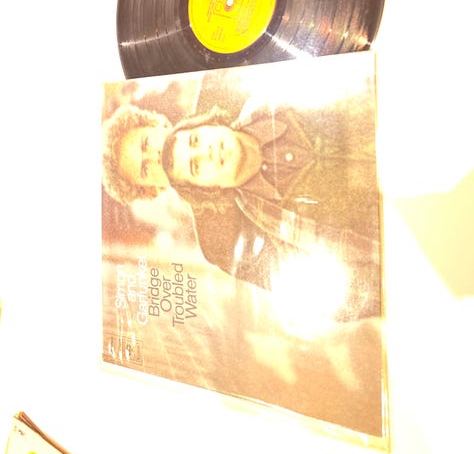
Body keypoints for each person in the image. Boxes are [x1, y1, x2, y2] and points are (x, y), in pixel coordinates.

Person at [102, 79, 382, 321]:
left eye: (146, 144)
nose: (155, 157)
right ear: (152, 191)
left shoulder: (221, 86)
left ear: (156, 123)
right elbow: (325, 294)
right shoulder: (219, 241)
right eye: (145, 168)